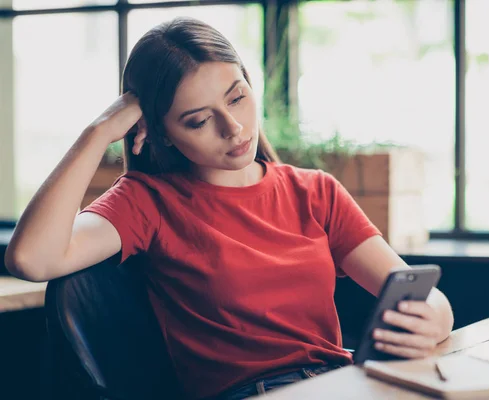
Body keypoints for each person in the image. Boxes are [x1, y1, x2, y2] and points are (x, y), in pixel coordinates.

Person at [5, 17, 454, 400]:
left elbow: (411, 286)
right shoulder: (147, 202)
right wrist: (98, 132)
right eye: (198, 121)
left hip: (339, 383)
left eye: (237, 97)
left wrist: (437, 315)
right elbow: (31, 258)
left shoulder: (316, 191)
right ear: (161, 134)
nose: (234, 127)